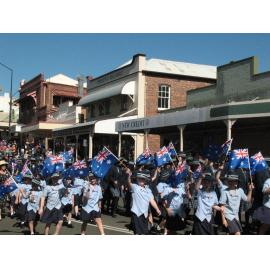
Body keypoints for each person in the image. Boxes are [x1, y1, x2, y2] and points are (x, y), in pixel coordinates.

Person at [127, 169, 161, 235]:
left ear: (145, 180)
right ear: (137, 179)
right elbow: (129, 183)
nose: (141, 180)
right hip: (136, 213)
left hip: (145, 214)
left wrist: (157, 209)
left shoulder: (148, 190)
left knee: (144, 232)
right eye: (139, 179)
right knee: (137, 232)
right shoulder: (135, 187)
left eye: (142, 179)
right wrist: (129, 176)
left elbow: (152, 201)